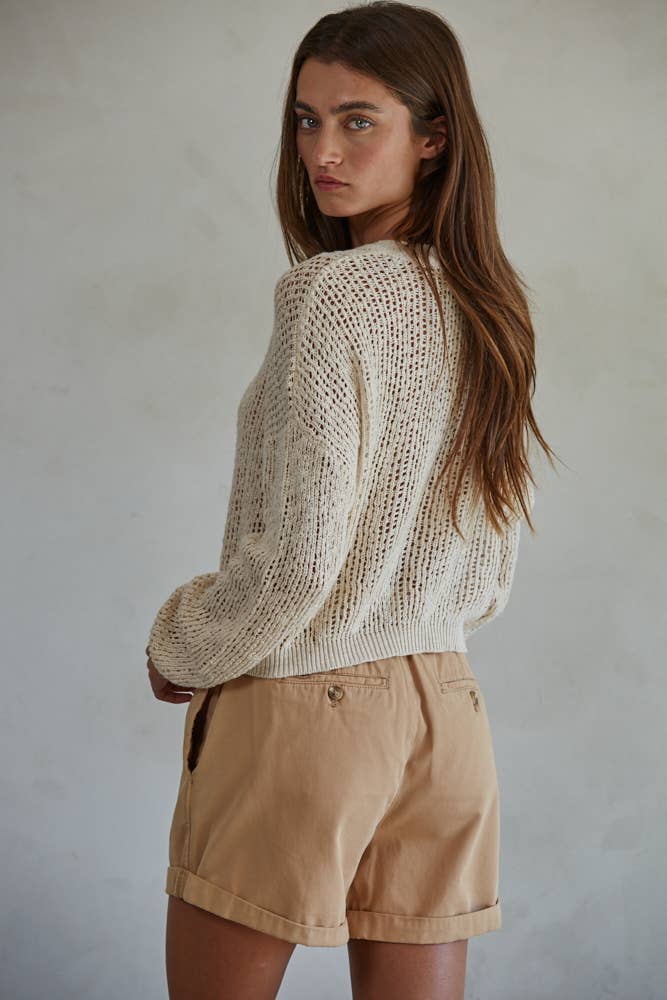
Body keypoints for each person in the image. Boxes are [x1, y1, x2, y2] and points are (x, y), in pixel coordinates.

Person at [145, 3, 557, 997]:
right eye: (304, 119)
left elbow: (302, 559)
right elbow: (492, 569)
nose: (320, 151)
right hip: (450, 716)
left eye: (356, 119)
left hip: (308, 709)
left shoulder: (334, 294)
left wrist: (182, 647)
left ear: (433, 135)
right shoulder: (489, 305)